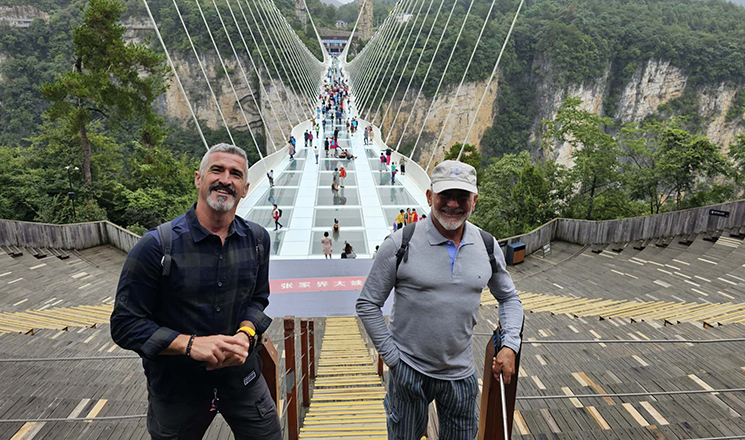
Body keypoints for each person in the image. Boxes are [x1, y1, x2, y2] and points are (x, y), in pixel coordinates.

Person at [111, 143, 281, 439]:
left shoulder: (257, 240)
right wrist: (190, 345)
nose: (225, 179)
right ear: (198, 179)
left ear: (245, 188)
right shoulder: (156, 247)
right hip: (178, 389)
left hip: (242, 378)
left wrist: (246, 334)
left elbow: (258, 299)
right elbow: (125, 324)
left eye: (235, 174)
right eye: (217, 169)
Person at [356, 160, 524, 439]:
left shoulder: (486, 245)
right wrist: (393, 359)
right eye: (446, 195)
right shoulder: (400, 243)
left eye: (463, 197)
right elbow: (368, 303)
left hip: (460, 375)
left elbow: (509, 297)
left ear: (475, 200)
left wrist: (509, 345)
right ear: (430, 196)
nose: (454, 205)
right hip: (409, 370)